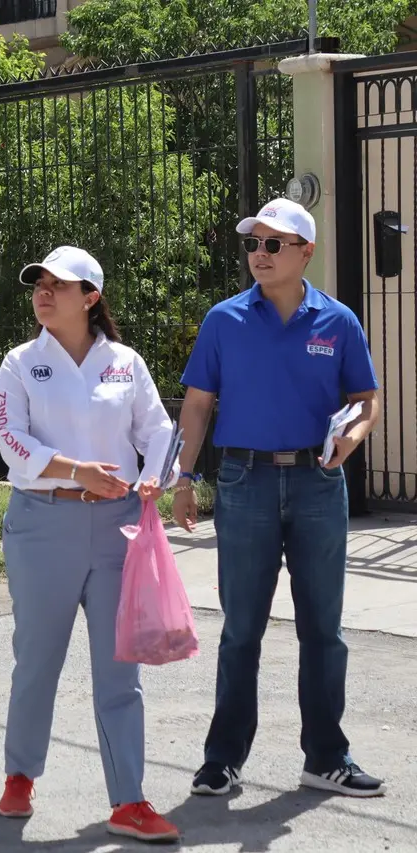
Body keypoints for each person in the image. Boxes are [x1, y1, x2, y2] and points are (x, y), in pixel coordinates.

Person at [174, 198, 384, 798]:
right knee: (242, 628)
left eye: (273, 244)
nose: (258, 255)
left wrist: (354, 435)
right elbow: (196, 405)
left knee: (324, 629)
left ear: (305, 253)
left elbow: (366, 400)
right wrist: (183, 479)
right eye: (253, 244)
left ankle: (326, 757)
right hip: (245, 482)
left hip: (319, 482)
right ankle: (222, 759)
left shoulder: (338, 322)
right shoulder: (224, 320)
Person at [0, 246, 181, 843]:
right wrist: (77, 472)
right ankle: (19, 775)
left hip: (119, 527)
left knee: (120, 670)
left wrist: (157, 475)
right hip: (42, 523)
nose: (43, 293)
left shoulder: (125, 362)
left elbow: (159, 432)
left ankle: (128, 800)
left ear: (91, 297)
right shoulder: (19, 363)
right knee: (37, 660)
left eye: (59, 285)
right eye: (38, 283)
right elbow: (11, 443)